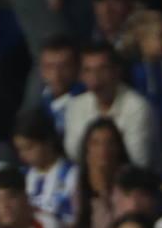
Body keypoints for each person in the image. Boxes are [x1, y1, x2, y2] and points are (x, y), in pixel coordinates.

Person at [62, 42, 153, 172]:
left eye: (102, 69)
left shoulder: (137, 107)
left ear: (116, 71)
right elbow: (74, 154)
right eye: (88, 70)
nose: (95, 78)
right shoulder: (76, 105)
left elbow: (138, 160)